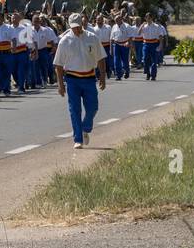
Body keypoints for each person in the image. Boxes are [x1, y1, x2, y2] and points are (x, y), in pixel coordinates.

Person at [53, 13, 107, 148]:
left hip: (89, 78)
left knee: (93, 107)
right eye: (73, 27)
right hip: (72, 79)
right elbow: (58, 65)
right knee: (74, 110)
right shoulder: (64, 41)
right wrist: (61, 85)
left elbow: (101, 58)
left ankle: (85, 128)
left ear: (82, 24)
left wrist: (102, 77)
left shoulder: (92, 37)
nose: (75, 29)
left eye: (78, 26)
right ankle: (78, 139)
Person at [140, 12, 167, 80]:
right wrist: (141, 25)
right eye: (146, 18)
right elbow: (138, 32)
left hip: (154, 44)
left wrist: (160, 45)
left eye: (149, 18)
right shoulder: (144, 26)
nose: (148, 19)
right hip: (146, 44)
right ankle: (148, 73)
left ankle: (153, 75)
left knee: (154, 61)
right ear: (145, 18)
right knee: (145, 59)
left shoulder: (157, 26)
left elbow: (160, 36)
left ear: (152, 18)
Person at [111, 12, 135, 80]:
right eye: (115, 20)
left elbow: (131, 36)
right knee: (116, 60)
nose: (116, 21)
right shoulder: (114, 27)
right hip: (116, 45)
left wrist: (128, 42)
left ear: (121, 19)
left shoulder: (127, 26)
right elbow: (111, 38)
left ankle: (126, 71)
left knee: (125, 60)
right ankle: (118, 75)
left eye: (118, 20)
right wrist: (111, 49)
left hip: (125, 45)